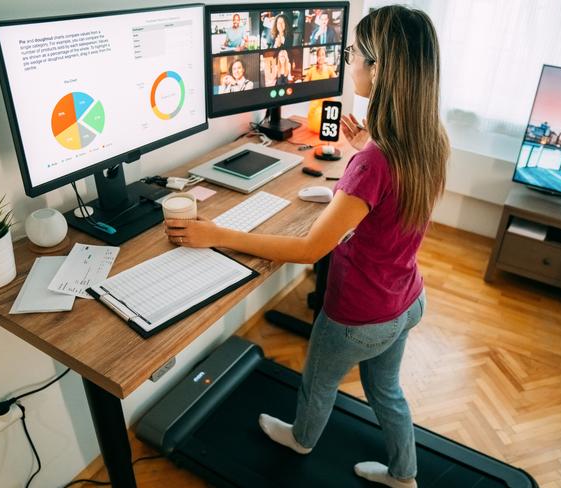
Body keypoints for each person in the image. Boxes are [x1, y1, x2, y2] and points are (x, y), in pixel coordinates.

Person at [165, 5, 449, 488]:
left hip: (358, 314)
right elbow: (387, 205)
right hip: (406, 300)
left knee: (318, 385)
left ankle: (301, 439)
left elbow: (310, 249)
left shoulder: (374, 163)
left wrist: (217, 234)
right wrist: (363, 153)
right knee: (387, 392)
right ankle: (405, 474)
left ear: (379, 70)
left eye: (354, 52)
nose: (349, 60)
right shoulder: (428, 140)